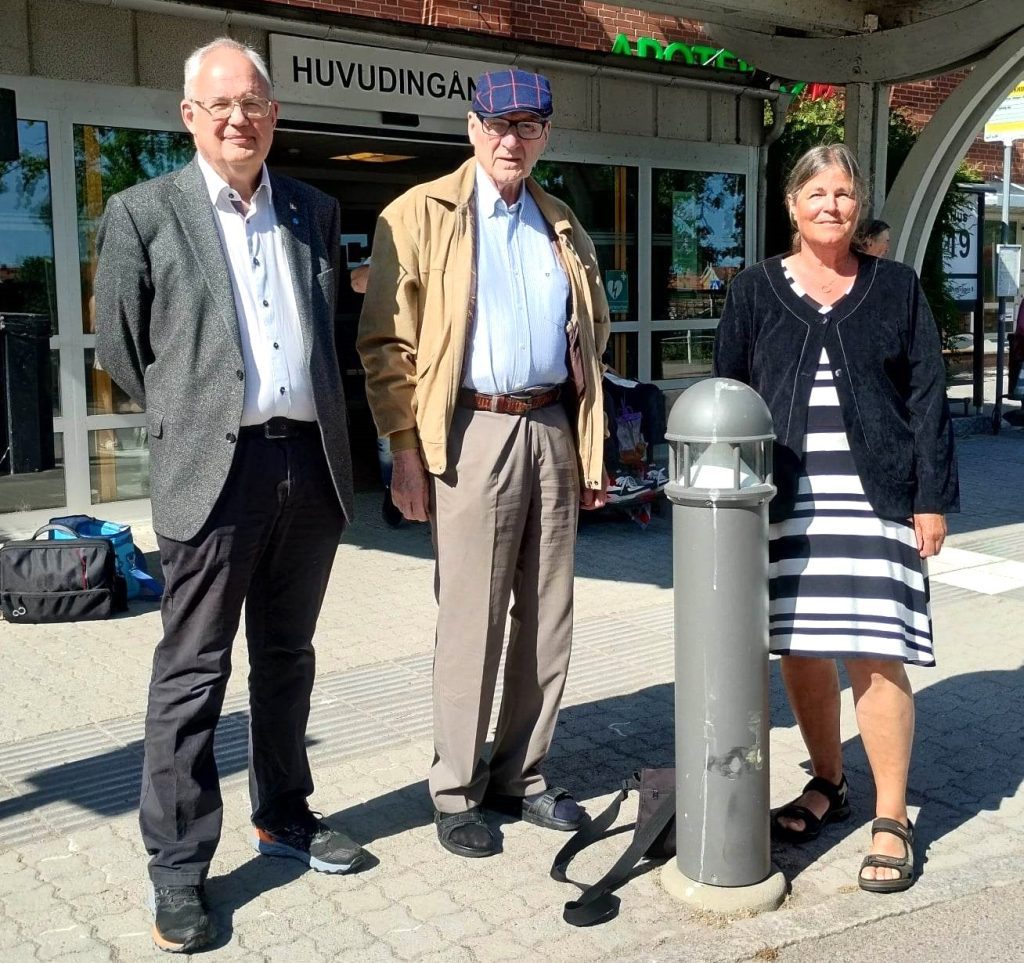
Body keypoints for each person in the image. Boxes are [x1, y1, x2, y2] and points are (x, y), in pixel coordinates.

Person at [95, 38, 365, 953]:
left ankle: (285, 814)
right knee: (193, 672)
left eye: (252, 102)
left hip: (308, 465)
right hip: (214, 471)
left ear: (274, 113)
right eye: (218, 105)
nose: (237, 118)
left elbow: (327, 331)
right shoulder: (143, 213)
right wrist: (197, 412)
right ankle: (178, 869)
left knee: (286, 656)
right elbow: (122, 353)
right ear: (189, 118)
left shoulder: (314, 211)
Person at [358, 68, 610, 858]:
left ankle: (521, 777)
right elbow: (386, 345)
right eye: (499, 125)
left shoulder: (561, 221)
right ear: (471, 128)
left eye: (529, 126)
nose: (512, 140)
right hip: (473, 431)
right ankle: (456, 788)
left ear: (545, 135)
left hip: (552, 428)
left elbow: (590, 347)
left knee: (549, 617)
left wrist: (593, 447)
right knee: (471, 620)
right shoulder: (420, 213)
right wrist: (404, 452)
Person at [714, 144, 958, 894]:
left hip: (876, 497)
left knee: (876, 651)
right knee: (802, 647)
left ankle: (892, 816)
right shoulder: (755, 290)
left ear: (859, 207)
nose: (831, 204)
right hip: (785, 503)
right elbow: (726, 392)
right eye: (817, 192)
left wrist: (930, 498)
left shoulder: (895, 288)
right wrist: (727, 507)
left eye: (845, 193)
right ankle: (828, 781)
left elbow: (926, 396)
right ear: (792, 206)